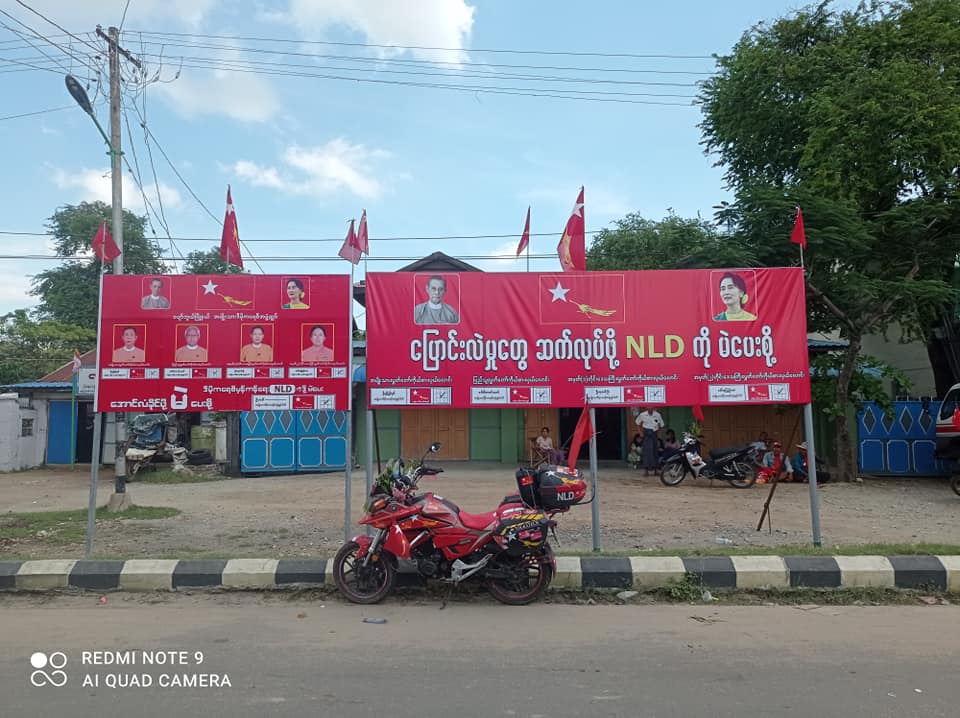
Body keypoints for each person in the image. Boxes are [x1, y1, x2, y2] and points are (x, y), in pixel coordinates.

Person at [635, 406, 664, 475]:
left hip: (654, 434)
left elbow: (662, 425)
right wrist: (640, 433)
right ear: (646, 408)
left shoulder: (657, 415)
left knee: (655, 452)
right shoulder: (642, 414)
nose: (650, 408)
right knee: (646, 452)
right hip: (646, 435)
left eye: (651, 407)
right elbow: (637, 423)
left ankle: (656, 470)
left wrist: (659, 434)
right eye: (648, 407)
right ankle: (646, 470)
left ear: (653, 408)